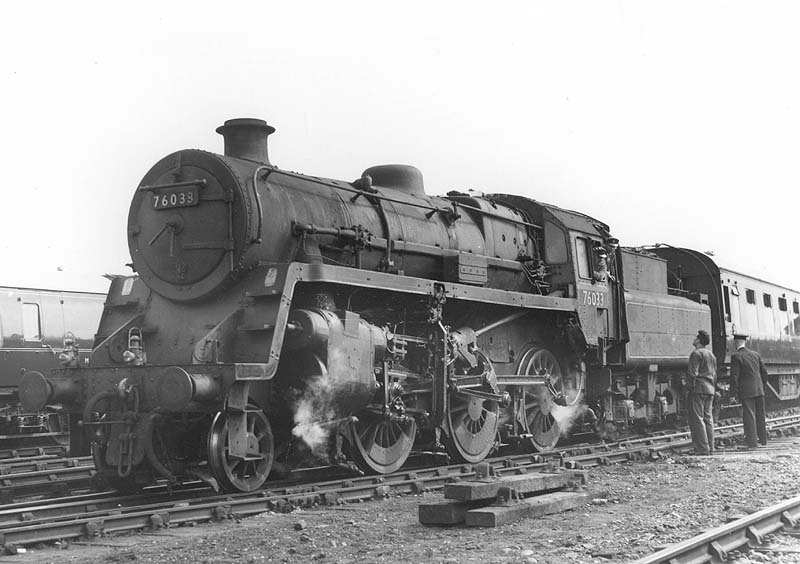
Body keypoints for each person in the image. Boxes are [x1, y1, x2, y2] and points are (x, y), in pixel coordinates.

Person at [730, 333, 768, 449]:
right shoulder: (756, 354)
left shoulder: (736, 356)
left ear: (736, 343)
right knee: (760, 414)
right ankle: (763, 439)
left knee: (749, 415)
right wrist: (762, 386)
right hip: (759, 389)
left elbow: (734, 376)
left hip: (747, 391)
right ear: (744, 342)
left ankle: (752, 442)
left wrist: (733, 394)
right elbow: (764, 372)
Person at [686, 329, 717, 455]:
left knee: (697, 418)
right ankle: (711, 447)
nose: (694, 339)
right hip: (710, 388)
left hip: (698, 389)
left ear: (698, 340)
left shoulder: (696, 354)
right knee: (708, 418)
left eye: (695, 337)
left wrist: (689, 388)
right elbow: (715, 375)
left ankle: (702, 449)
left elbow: (692, 374)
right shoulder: (711, 355)